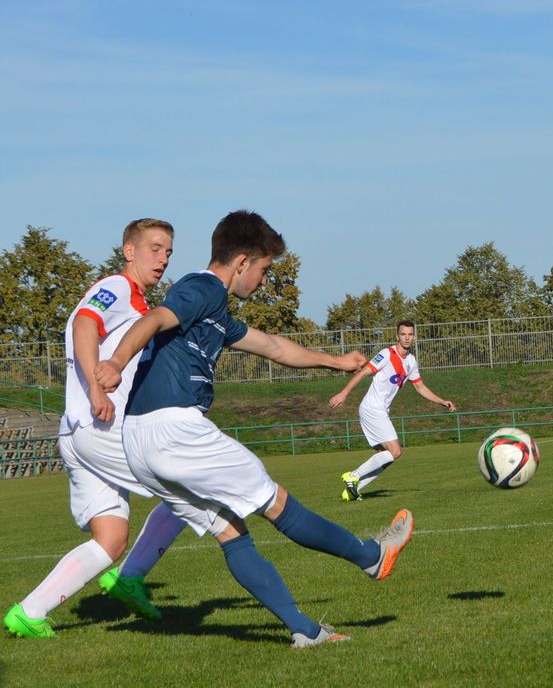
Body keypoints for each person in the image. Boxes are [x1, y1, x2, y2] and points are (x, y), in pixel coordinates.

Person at [93, 210, 412, 648]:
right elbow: (154, 320)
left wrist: (336, 361)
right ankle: (372, 556)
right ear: (241, 261)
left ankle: (304, 631)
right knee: (277, 503)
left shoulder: (216, 313)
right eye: (263, 269)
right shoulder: (201, 287)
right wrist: (115, 361)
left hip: (140, 440)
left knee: (230, 531)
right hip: (174, 429)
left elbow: (274, 347)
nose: (263, 280)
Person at [5, 219, 188, 639]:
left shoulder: (140, 306)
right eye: (155, 248)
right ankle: (131, 578)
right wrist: (94, 388)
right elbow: (83, 323)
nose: (163, 258)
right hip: (98, 426)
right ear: (129, 251)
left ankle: (29, 612)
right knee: (188, 490)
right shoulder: (119, 288)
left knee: (111, 539)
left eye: (169, 252)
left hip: (78, 432)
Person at [330, 321, 456, 501]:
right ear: (397, 336)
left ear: (414, 337)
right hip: (373, 408)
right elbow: (364, 372)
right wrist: (344, 393)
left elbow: (420, 387)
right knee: (395, 451)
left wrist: (441, 401)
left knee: (387, 456)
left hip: (379, 410)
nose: (406, 337)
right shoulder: (387, 354)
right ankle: (353, 475)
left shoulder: (411, 361)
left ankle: (352, 491)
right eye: (403, 334)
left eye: (410, 334)